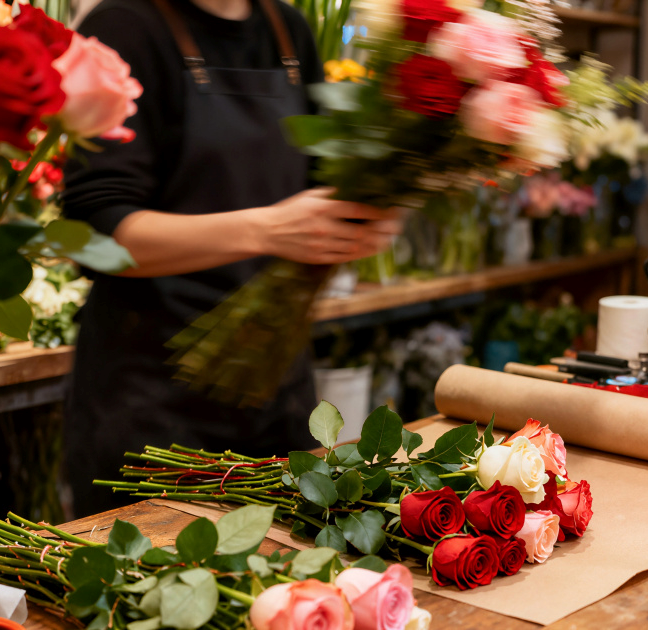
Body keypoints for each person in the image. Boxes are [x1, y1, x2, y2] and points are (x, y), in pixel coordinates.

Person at [61, 0, 400, 515]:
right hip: (153, 405)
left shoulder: (288, 30)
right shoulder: (125, 26)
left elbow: (317, 189)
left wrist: (362, 217)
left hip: (278, 393)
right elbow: (95, 233)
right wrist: (266, 229)